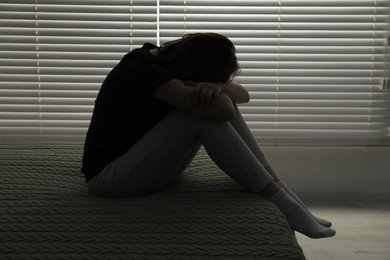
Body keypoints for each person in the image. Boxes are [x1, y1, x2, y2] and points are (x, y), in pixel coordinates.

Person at [81, 32, 336, 239]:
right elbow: (222, 111)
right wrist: (220, 92)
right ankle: (286, 205)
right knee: (200, 114)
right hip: (110, 179)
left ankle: (290, 200)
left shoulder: (157, 58)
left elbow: (243, 95)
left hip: (134, 166)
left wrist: (217, 86)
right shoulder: (146, 72)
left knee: (214, 104)